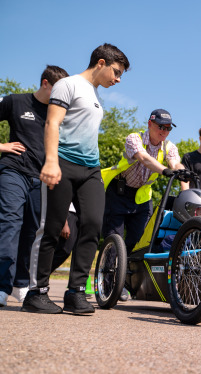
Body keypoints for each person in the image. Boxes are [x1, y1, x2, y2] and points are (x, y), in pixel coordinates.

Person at [22, 43, 130, 315]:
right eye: (116, 72)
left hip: (91, 168)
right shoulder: (67, 85)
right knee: (51, 228)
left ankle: (75, 292)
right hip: (63, 163)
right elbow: (53, 123)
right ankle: (37, 293)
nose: (117, 79)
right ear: (101, 63)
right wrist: (50, 161)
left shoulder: (95, 95)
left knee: (93, 225)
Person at [0, 65, 69, 308]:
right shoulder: (15, 102)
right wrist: (2, 146)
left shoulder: (59, 115)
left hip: (42, 180)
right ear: (45, 83)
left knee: (33, 234)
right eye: (59, 90)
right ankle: (1, 287)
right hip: (13, 171)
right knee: (10, 224)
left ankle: (21, 284)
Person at [101, 109, 184, 254]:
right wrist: (164, 170)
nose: (164, 131)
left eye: (168, 128)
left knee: (139, 243)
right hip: (119, 193)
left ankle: (128, 275)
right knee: (113, 240)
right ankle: (108, 275)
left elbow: (175, 162)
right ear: (150, 124)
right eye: (161, 127)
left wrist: (181, 171)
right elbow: (144, 158)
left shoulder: (169, 146)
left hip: (142, 199)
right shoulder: (134, 138)